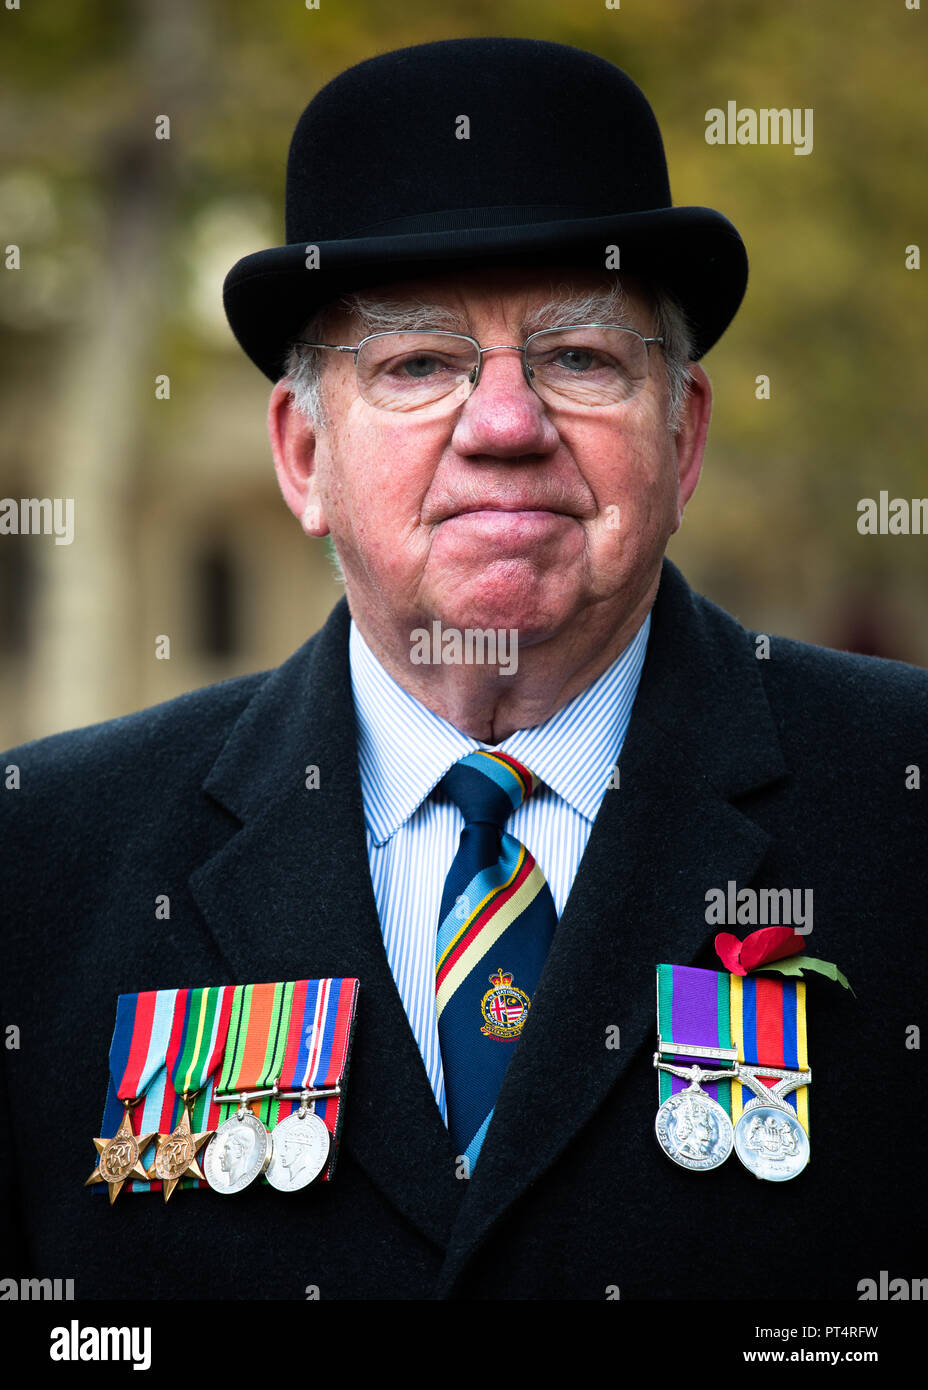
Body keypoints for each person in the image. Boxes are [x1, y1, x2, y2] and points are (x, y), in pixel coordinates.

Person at [1, 37, 925, 1303]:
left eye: (581, 358)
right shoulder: (40, 859)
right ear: (300, 454)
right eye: (417, 364)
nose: (503, 426)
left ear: (685, 431)